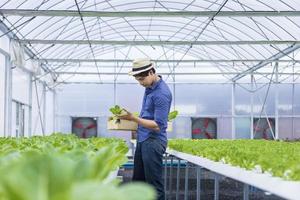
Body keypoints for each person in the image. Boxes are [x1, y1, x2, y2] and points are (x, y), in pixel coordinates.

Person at [119, 58, 172, 200]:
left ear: (151, 72)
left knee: (154, 185)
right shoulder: (149, 87)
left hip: (153, 142)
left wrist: (134, 119)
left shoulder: (162, 94)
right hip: (143, 139)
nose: (140, 83)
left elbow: (157, 125)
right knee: (138, 183)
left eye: (142, 79)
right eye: (138, 80)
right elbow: (148, 115)